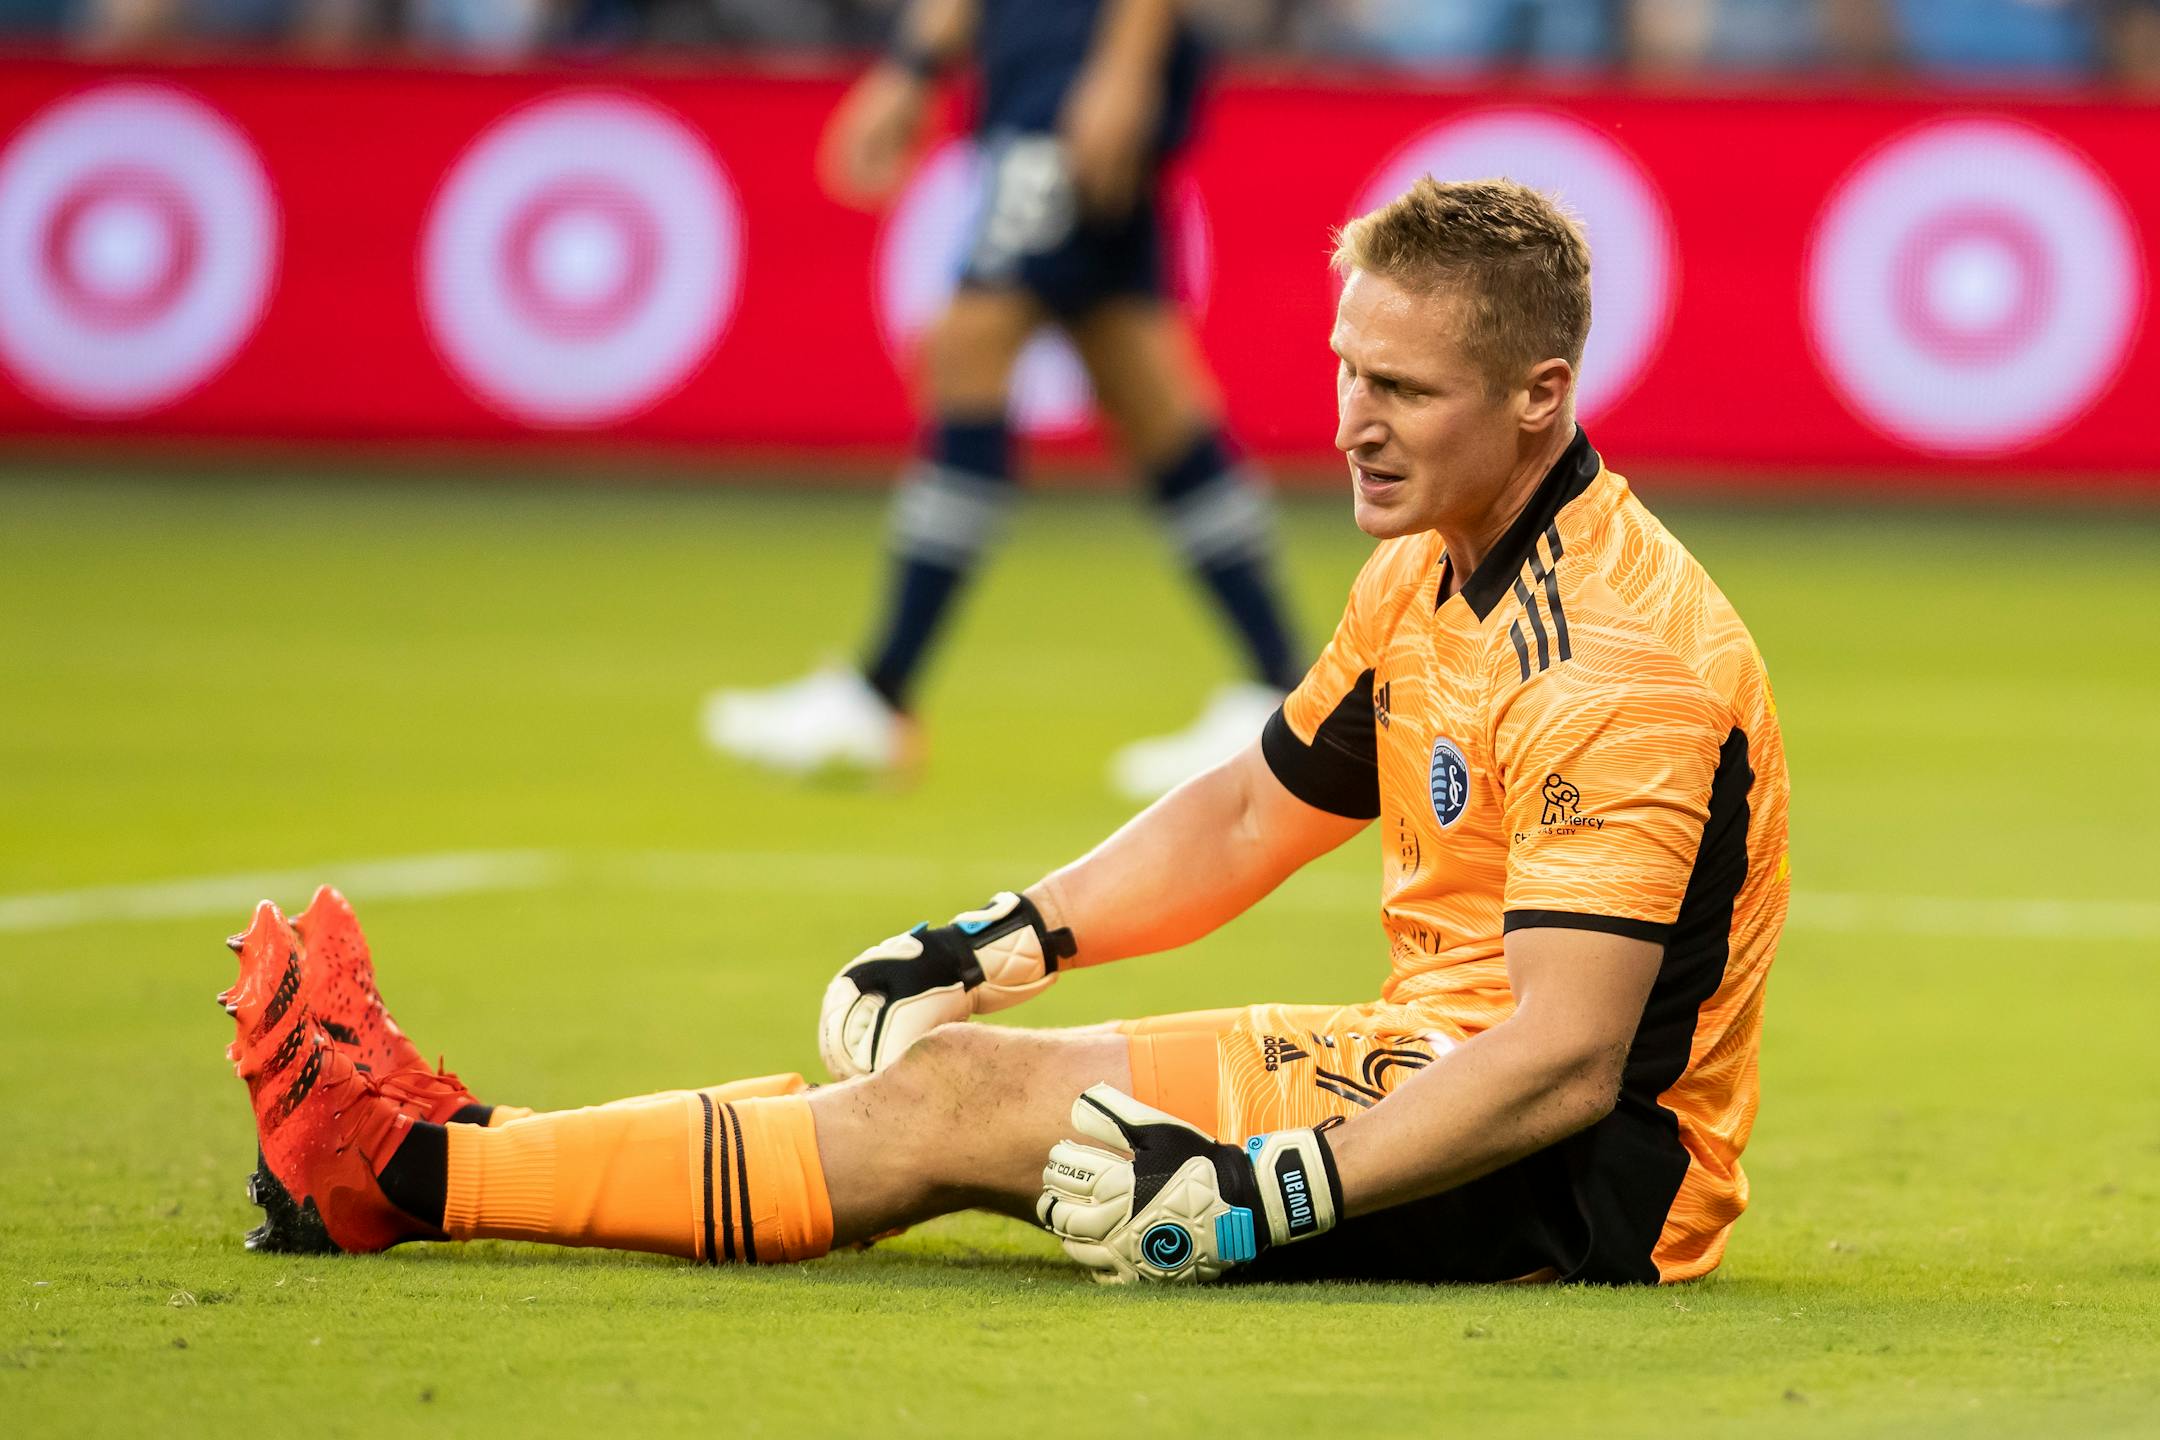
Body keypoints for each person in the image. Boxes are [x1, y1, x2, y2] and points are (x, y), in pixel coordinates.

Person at [227, 178, 1789, 1286]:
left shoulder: (1617, 660)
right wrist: (998, 939)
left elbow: (1568, 1057)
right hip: (1427, 1077)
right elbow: (1254, 814)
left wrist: (1268, 1193)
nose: (1350, 424)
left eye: (1403, 389)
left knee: (956, 1106)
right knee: (945, 1070)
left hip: (1570, 1184)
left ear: (1541, 395)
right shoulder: (1428, 568)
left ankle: (402, 1176)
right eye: (1343, 372)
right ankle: (438, 1151)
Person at [702, 0, 1306, 801]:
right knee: (1145, 390)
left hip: (1073, 77)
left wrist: (1120, 71)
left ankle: (881, 695)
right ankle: (1286, 694)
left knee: (970, 345)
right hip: (1045, 70)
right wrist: (915, 67)